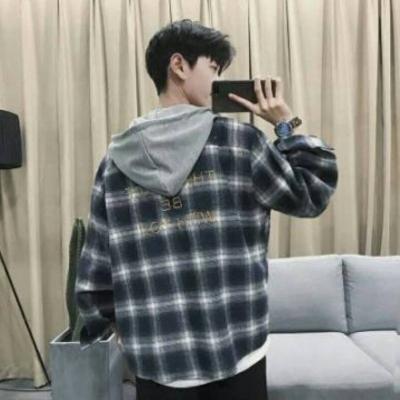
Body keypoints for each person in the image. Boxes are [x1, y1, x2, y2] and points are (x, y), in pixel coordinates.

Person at [75, 18, 338, 400]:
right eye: (214, 68)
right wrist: (285, 123)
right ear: (179, 66)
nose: (218, 81)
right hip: (237, 349)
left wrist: (113, 327)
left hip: (157, 359)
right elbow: (311, 194)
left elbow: (97, 270)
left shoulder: (114, 163)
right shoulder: (240, 143)